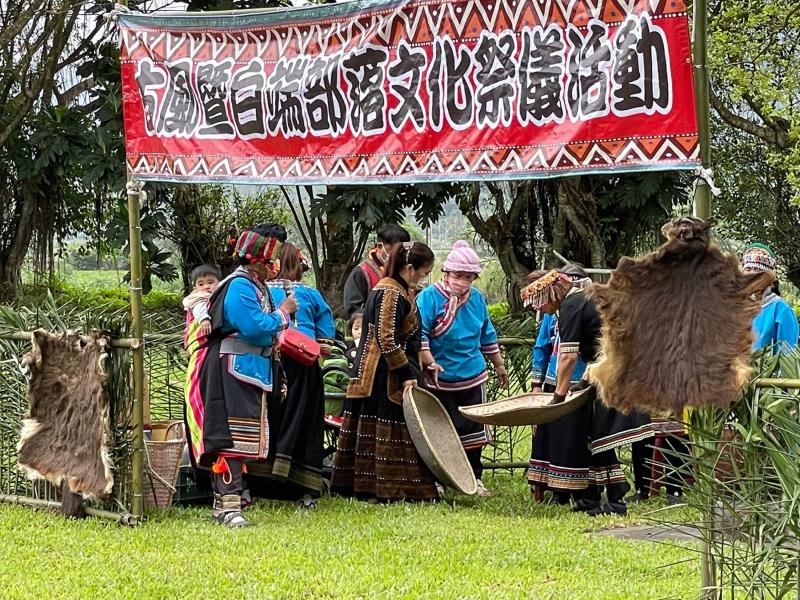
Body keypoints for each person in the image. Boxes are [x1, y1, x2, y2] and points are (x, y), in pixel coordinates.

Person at [184, 224, 297, 527]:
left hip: (248, 369)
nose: (274, 265)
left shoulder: (254, 285)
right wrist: (284, 312)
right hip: (230, 370)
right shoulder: (239, 286)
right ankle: (228, 507)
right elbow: (256, 326)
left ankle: (229, 502)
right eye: (270, 259)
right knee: (231, 440)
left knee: (243, 439)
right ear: (258, 260)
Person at [520, 269, 652, 516]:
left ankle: (615, 500)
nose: (540, 308)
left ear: (551, 293)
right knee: (595, 435)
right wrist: (584, 380)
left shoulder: (572, 304)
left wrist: (558, 397)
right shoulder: (583, 299)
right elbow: (598, 344)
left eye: (539, 302)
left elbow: (568, 357)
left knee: (602, 437)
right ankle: (592, 498)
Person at [331, 241, 439, 502]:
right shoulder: (390, 293)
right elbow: (386, 339)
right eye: (423, 272)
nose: (424, 278)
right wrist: (407, 374)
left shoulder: (402, 289)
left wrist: (423, 360)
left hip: (389, 368)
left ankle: (388, 487)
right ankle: (384, 488)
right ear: (410, 268)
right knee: (391, 423)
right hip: (381, 372)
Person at [415, 240, 507, 497]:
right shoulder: (429, 298)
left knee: (474, 432)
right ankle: (439, 480)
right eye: (458, 275)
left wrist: (499, 365)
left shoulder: (477, 299)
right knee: (438, 431)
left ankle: (473, 479)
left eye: (468, 277)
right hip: (438, 377)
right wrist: (430, 361)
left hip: (472, 375)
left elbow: (487, 335)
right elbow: (420, 333)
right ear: (446, 273)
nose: (462, 281)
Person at [258, 242, 336, 509]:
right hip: (305, 366)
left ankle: (263, 484)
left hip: (271, 364)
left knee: (271, 420)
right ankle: (305, 490)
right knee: (306, 423)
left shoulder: (263, 291)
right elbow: (327, 336)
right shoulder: (311, 294)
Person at [526, 266, 589, 503]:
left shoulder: (580, 306)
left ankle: (574, 489)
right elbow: (542, 346)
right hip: (555, 381)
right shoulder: (553, 314)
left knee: (573, 437)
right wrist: (536, 383)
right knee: (549, 438)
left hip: (580, 382)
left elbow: (573, 352)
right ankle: (553, 488)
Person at [343, 224, 411, 317]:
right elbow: (353, 309)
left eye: (400, 252)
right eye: (392, 251)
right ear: (379, 247)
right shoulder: (361, 272)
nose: (396, 256)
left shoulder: (404, 272)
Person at [741, 243, 798, 353]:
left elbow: (788, 358)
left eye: (758, 269)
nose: (752, 274)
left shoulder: (781, 310)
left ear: (769, 277)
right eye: (748, 269)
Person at [182, 264, 221, 342]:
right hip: (199, 336)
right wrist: (204, 319)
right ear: (195, 288)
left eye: (210, 282)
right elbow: (198, 307)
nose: (206, 286)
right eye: (201, 284)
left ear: (219, 283)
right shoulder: (198, 296)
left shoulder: (215, 296)